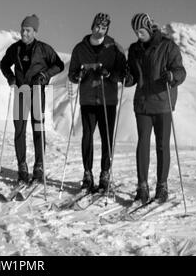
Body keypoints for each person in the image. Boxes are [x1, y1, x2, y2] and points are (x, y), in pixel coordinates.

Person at [125, 13, 186, 204]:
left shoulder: (168, 46)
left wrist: (172, 76)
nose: (138, 34)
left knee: (162, 145)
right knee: (143, 143)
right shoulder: (134, 49)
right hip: (142, 103)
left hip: (162, 103)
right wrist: (128, 79)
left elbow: (180, 71)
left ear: (149, 28)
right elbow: (133, 74)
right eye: (136, 31)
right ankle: (142, 186)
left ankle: (162, 186)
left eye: (141, 31)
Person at [0, 14, 64, 185]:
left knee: (38, 129)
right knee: (19, 130)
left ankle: (39, 166)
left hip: (37, 91)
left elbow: (59, 64)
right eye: (22, 29)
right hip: (21, 92)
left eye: (28, 30)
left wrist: (44, 75)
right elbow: (4, 64)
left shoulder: (44, 49)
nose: (24, 33)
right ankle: (22, 167)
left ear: (35, 31)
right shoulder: (15, 48)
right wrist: (11, 78)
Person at [68, 13, 126, 192]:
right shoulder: (80, 48)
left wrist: (109, 75)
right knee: (87, 136)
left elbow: (123, 73)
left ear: (107, 29)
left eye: (103, 28)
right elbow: (72, 73)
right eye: (97, 27)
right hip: (87, 99)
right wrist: (78, 76)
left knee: (106, 138)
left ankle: (105, 174)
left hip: (107, 99)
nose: (100, 30)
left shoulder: (114, 48)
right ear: (92, 26)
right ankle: (87, 173)